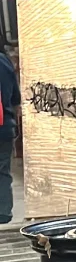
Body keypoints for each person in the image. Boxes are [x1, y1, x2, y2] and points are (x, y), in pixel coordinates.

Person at [0, 35, 18, 224]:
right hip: (4, 127)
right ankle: (3, 213)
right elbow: (16, 99)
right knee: (2, 170)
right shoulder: (4, 62)